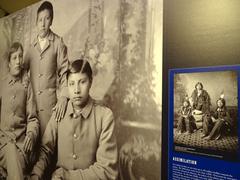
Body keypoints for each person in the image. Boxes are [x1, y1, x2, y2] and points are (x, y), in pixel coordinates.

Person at [31, 59, 118, 180]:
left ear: (91, 82)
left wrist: (67, 176)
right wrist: (36, 174)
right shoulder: (60, 112)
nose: (76, 90)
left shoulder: (104, 117)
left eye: (82, 82)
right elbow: (45, 150)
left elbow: (106, 170)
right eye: (72, 83)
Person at [24, 1, 69, 136]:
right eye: (40, 20)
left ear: (51, 20)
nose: (43, 24)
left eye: (47, 19)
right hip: (30, 106)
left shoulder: (58, 43)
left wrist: (63, 97)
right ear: (36, 22)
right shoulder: (30, 46)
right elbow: (22, 73)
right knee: (30, 143)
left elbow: (64, 72)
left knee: (48, 143)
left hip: (50, 106)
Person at [0, 42, 39, 179]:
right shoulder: (2, 85)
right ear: (9, 63)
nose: (18, 61)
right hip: (3, 144)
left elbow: (33, 118)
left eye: (20, 57)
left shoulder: (26, 86)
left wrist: (31, 135)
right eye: (14, 58)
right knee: (10, 152)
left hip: (22, 146)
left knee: (15, 160)